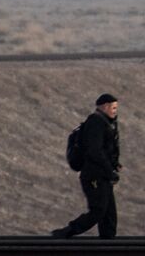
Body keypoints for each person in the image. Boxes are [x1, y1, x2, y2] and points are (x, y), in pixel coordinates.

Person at [51, 93, 121, 238]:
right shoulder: (96, 123)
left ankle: (109, 248)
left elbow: (105, 150)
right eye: (113, 108)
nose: (115, 111)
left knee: (109, 215)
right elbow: (95, 151)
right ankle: (65, 233)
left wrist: (114, 166)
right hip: (94, 176)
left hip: (103, 176)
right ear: (105, 107)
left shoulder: (106, 123)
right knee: (99, 210)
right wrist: (110, 170)